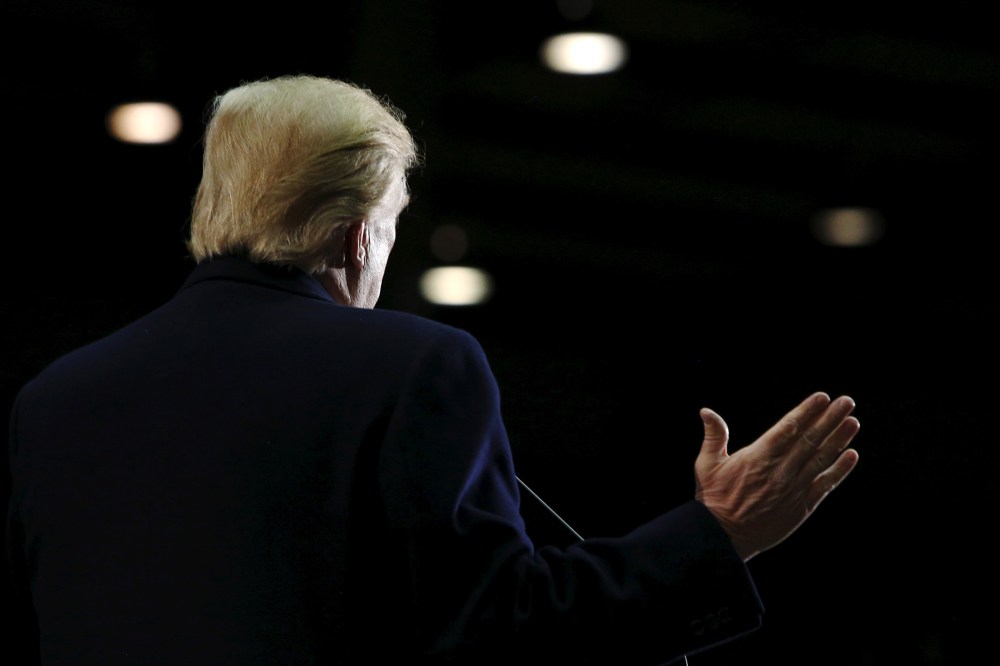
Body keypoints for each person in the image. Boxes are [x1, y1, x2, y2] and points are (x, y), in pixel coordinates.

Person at [5, 74, 860, 665]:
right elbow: (497, 636)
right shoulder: (409, 365)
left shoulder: (56, 400)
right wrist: (720, 532)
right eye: (393, 222)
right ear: (357, 236)